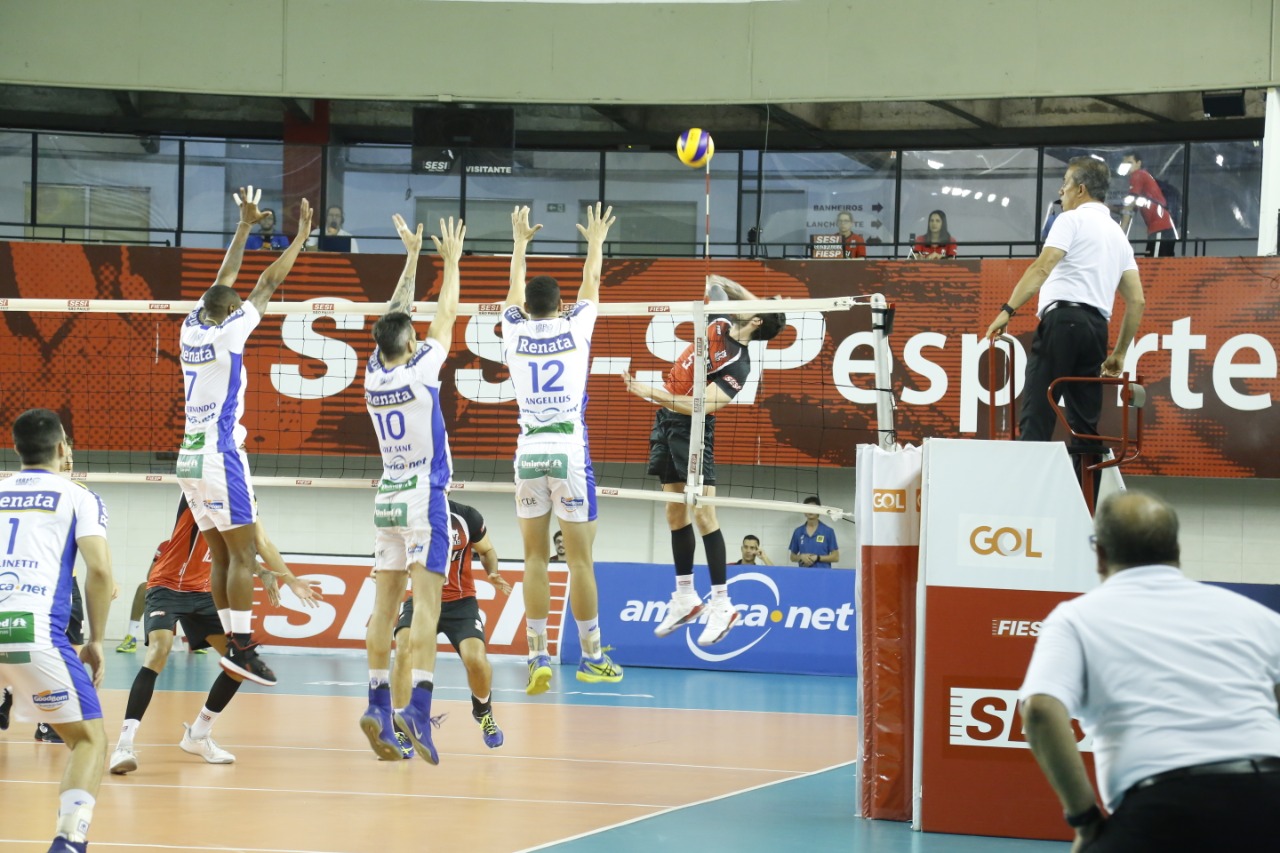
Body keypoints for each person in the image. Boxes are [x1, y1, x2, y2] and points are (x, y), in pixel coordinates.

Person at [1019, 491, 1280, 852]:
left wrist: (1084, 820)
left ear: (1100, 554)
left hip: (1166, 810)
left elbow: (1040, 710)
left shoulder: (1075, 618)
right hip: (1269, 794)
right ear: (1176, 549)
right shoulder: (1253, 615)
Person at [176, 185, 312, 689]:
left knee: (219, 553)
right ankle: (242, 644)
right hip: (219, 453)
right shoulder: (233, 329)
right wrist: (299, 238)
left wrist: (245, 226)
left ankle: (234, 640)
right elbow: (266, 283)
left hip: (188, 456)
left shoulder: (191, 328)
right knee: (242, 554)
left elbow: (223, 280)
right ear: (232, 313)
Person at [622, 275, 786, 646]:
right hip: (665, 422)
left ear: (756, 321)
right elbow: (722, 291)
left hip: (691, 428)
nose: (747, 302)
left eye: (755, 307)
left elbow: (700, 408)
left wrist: (650, 392)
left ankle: (723, 604)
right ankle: (685, 597)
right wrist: (726, 281)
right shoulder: (721, 320)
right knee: (673, 512)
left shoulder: (738, 366)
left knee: (703, 514)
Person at [108, 496, 321, 775]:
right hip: (166, 587)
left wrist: (280, 577)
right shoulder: (198, 489)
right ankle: (124, 744)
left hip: (204, 592)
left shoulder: (245, 500)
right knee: (159, 650)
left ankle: (198, 734)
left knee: (239, 663)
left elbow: (250, 547)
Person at [504, 203, 623, 695]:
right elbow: (591, 281)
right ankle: (592, 656)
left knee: (534, 559)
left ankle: (536, 655)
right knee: (580, 561)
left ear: (528, 307)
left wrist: (519, 243)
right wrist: (595, 242)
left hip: (528, 451)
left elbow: (513, 291)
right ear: (560, 306)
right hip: (568, 450)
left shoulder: (512, 328)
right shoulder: (578, 327)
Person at [359, 213, 464, 766]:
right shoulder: (423, 369)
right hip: (425, 496)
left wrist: (412, 256)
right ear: (412, 341)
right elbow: (446, 313)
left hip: (387, 497)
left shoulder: (373, 375)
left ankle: (377, 701)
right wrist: (448, 260)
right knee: (427, 607)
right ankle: (418, 707)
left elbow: (392, 318)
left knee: (382, 609)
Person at [0, 408, 114, 853]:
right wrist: (97, 640)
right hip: (33, 631)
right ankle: (69, 841)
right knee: (88, 740)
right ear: (64, 448)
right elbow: (100, 572)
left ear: (16, 449)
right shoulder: (78, 496)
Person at [984, 157, 1146, 464]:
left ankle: (1029, 507)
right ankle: (1085, 506)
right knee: (1086, 430)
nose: (1061, 193)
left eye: (1065, 185)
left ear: (1081, 189)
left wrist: (1008, 309)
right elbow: (1137, 301)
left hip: (1062, 322)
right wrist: (1119, 354)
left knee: (1036, 417)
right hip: (1097, 330)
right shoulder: (1118, 237)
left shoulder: (1070, 220)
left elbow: (1042, 266)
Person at [391, 499, 513, 754]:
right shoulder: (408, 513)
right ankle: (401, 728)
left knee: (476, 660)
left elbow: (487, 550)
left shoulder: (467, 516)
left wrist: (491, 572)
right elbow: (392, 552)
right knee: (403, 651)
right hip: (421, 600)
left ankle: (483, 711)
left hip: (461, 603)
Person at [1119, 152, 1178, 257]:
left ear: (1138, 163)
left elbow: (1129, 207)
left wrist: (1121, 233)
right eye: (1125, 163)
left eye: (1130, 162)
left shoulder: (1138, 175)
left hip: (1160, 228)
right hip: (1163, 228)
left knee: (1154, 266)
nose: (1127, 166)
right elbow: (1130, 208)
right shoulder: (1143, 177)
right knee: (1157, 265)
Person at [789, 497, 840, 567]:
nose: (810, 511)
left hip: (823, 575)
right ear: (804, 511)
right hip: (804, 574)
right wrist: (801, 557)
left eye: (813, 508)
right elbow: (792, 557)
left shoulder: (828, 531)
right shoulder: (798, 531)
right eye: (808, 508)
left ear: (819, 510)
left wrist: (818, 558)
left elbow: (836, 557)